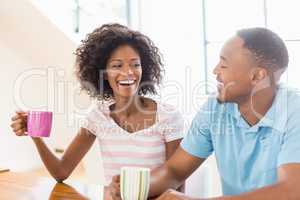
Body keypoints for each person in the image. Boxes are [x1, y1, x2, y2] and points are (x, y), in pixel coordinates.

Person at [109, 27, 300, 200]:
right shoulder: (216, 108)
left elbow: (292, 191)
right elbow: (175, 171)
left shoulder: (294, 110)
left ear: (257, 76)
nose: (215, 71)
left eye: (224, 65)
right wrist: (135, 186)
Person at [10, 23, 184, 199]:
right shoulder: (98, 116)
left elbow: (177, 182)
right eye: (117, 66)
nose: (128, 72)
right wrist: (35, 135)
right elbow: (61, 171)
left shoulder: (168, 117)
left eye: (135, 64)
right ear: (104, 73)